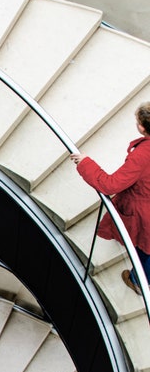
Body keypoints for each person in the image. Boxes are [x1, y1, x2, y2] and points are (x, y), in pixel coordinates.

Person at [71, 102, 150, 295]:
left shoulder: (144, 155)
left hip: (143, 212)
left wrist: (86, 163)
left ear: (141, 127)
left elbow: (110, 184)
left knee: (147, 248)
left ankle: (138, 280)